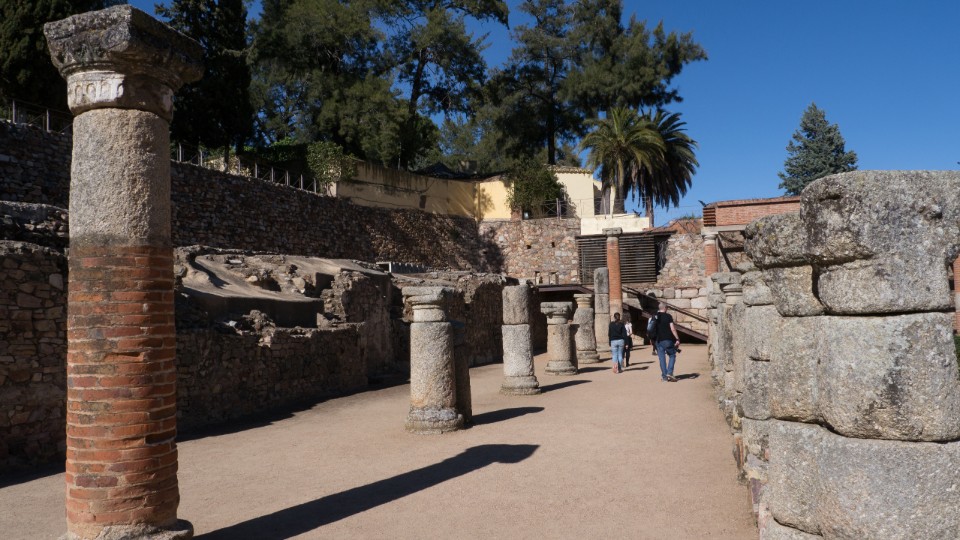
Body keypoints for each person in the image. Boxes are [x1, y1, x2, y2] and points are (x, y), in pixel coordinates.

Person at [652, 302, 681, 382]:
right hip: (668, 340)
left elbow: (651, 329)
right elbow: (672, 329)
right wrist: (677, 339)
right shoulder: (668, 316)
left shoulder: (655, 316)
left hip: (658, 340)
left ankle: (664, 377)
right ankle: (669, 372)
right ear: (665, 308)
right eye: (667, 308)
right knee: (672, 355)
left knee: (662, 358)